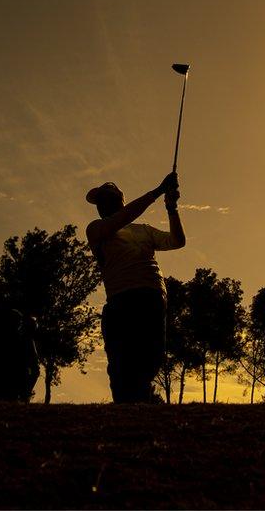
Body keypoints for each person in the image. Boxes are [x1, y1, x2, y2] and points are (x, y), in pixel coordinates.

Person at [85, 172, 185, 402]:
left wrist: (171, 208)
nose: (102, 206)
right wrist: (158, 191)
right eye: (100, 202)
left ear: (120, 201)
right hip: (121, 299)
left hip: (151, 295)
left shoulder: (144, 230)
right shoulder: (96, 229)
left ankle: (138, 402)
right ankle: (128, 405)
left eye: (107, 200)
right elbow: (126, 215)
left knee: (151, 356)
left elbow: (177, 241)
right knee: (120, 359)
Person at [0, 308, 40, 402]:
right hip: (11, 383)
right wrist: (27, 391)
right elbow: (35, 370)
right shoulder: (25, 341)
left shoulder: (5, 340)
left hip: (8, 383)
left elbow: (35, 369)